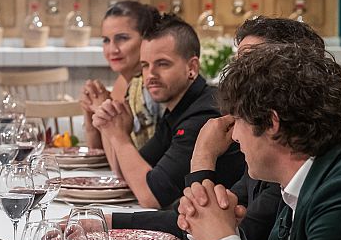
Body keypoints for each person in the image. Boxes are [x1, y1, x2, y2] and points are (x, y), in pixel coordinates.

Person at [111, 17, 326, 240]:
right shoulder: (262, 156)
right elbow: (202, 238)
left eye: (250, 63)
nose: (235, 76)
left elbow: (154, 196)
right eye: (237, 64)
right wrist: (108, 221)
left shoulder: (292, 163)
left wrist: (203, 157)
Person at [177, 44, 341, 240]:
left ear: (271, 123)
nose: (235, 136)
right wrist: (224, 232)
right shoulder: (304, 183)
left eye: (237, 120)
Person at [92, 14, 244, 208]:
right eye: (145, 66)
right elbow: (127, 175)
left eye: (162, 64)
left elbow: (151, 197)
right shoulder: (178, 106)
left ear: (192, 67)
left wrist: (119, 137)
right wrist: (112, 128)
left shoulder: (204, 114)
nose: (151, 75)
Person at [80, 0, 162, 152]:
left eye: (122, 38)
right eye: (106, 40)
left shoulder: (149, 88)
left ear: (146, 39)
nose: (112, 49)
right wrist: (89, 113)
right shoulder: (122, 82)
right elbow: (97, 152)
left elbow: (126, 163)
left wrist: (102, 113)